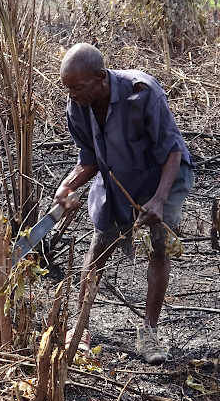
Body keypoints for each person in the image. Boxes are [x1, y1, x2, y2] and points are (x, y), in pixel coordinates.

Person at [54, 43, 194, 365]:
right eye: (68, 88)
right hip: (117, 179)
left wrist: (159, 200)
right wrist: (67, 186)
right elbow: (89, 159)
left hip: (161, 177)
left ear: (101, 77)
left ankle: (149, 332)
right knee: (99, 247)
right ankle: (80, 328)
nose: (72, 94)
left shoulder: (142, 92)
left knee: (158, 247)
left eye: (77, 87)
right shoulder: (78, 105)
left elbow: (172, 151)